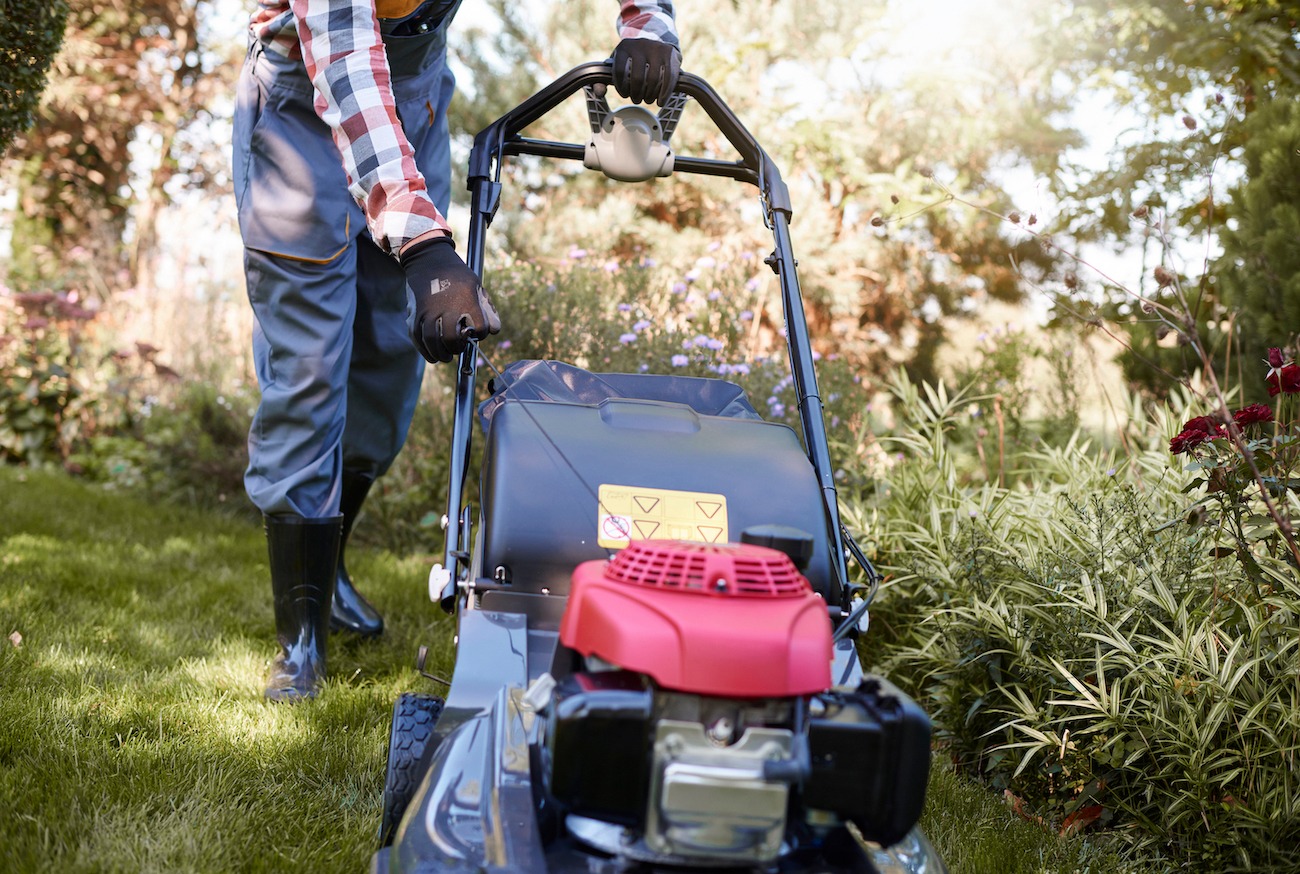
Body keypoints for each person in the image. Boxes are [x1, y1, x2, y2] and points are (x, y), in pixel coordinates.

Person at [233, 0, 682, 701]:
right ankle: (301, 638)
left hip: (411, 108)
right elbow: (346, 62)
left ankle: (333, 568)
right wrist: (426, 248)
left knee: (388, 361)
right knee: (309, 369)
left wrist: (647, 24)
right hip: (304, 112)